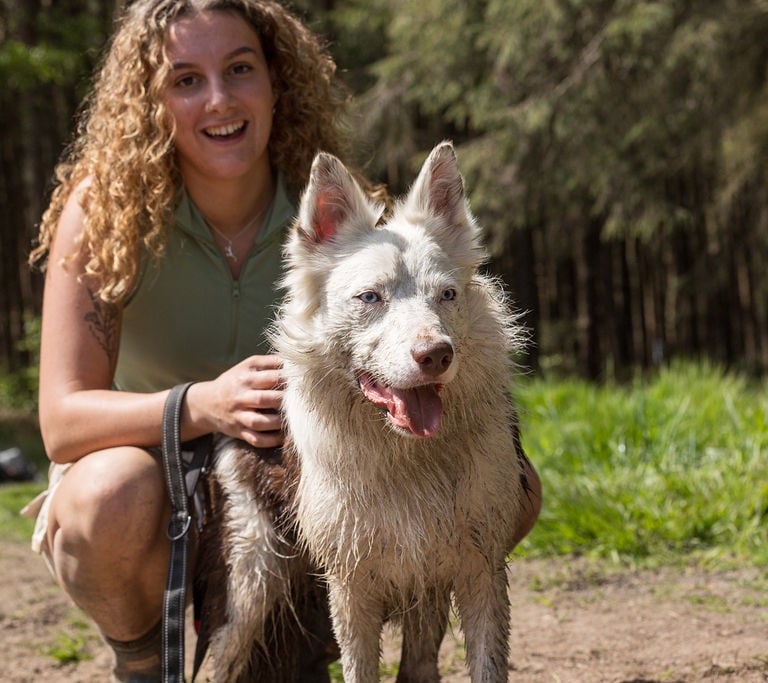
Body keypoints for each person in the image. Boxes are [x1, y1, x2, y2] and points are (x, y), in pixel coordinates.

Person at [24, 0, 542, 680]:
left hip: (295, 467)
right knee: (107, 495)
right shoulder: (106, 212)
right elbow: (62, 421)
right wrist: (203, 403)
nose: (218, 99)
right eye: (185, 79)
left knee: (514, 486)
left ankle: (316, 634)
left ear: (276, 81)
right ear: (150, 100)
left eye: (239, 69)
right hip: (155, 472)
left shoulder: (331, 210)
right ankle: (144, 659)